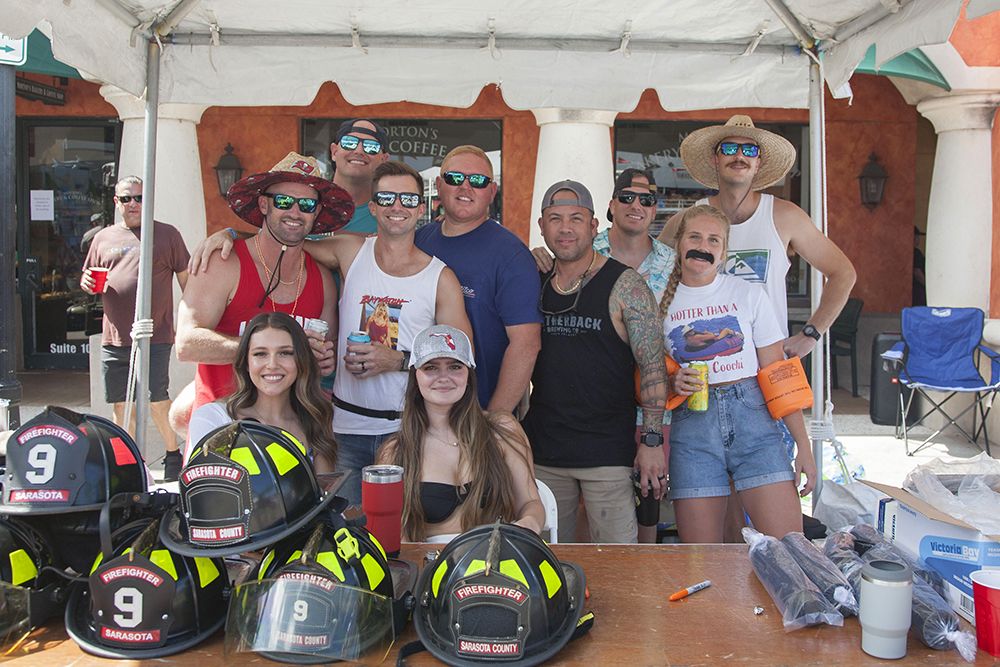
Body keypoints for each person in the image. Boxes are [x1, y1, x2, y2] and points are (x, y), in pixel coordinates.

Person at [188, 160, 473, 506]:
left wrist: (399, 360)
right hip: (344, 429)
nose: (397, 206)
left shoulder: (440, 277)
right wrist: (231, 234)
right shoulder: (350, 251)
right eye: (387, 198)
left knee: (399, 526)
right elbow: (286, 235)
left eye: (409, 199)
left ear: (421, 208)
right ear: (373, 207)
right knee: (340, 523)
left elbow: (463, 355)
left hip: (408, 429)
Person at [660, 115, 858, 507]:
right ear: (715, 159)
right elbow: (650, 278)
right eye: (729, 148)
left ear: (759, 162)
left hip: (765, 384)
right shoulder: (690, 220)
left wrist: (811, 334)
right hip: (702, 388)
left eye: (749, 149)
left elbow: (843, 273)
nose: (739, 156)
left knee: (766, 511)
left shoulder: (784, 215)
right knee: (720, 515)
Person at [531, 168, 676, 543]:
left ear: (594, 225)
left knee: (618, 562)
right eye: (555, 219)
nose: (565, 228)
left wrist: (651, 442)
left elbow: (653, 368)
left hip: (607, 455)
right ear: (542, 227)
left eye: (576, 219)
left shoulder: (627, 284)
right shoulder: (532, 279)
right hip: (544, 453)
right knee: (548, 561)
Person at [661, 204, 803, 542]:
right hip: (692, 430)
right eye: (694, 237)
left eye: (714, 240)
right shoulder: (657, 300)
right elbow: (645, 378)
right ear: (679, 243)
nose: (703, 246)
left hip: (754, 422)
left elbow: (778, 374)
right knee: (702, 560)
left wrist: (804, 448)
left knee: (789, 548)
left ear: (724, 252)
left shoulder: (748, 294)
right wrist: (672, 382)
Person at [175, 152, 344, 423]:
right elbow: (187, 345)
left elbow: (323, 358)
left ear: (316, 212)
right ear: (264, 204)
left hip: (292, 430)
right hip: (223, 426)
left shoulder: (323, 280)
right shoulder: (223, 262)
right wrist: (281, 349)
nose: (295, 212)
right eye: (284, 201)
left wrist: (323, 359)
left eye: (307, 205)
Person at [376, 325, 543, 541]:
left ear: (469, 374)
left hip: (495, 555)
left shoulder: (502, 429)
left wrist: (528, 524)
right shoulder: (395, 451)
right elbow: (396, 536)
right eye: (431, 367)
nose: (444, 377)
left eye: (455, 367)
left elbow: (531, 503)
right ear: (416, 377)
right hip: (431, 559)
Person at [414, 145, 542, 412]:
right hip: (415, 409)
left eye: (478, 181)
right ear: (439, 185)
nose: (466, 187)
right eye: (455, 178)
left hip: (476, 410)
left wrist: (494, 418)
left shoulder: (511, 256)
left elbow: (526, 345)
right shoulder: (419, 240)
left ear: (492, 192)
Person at [81, 176, 189, 481]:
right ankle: (129, 462)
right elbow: (89, 278)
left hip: (155, 334)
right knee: (121, 404)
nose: (133, 204)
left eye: (139, 198)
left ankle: (172, 454)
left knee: (156, 398)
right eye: (127, 198)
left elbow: (188, 284)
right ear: (116, 202)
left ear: (148, 200)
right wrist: (86, 284)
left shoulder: (167, 235)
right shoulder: (103, 238)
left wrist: (189, 322)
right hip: (114, 336)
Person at [187, 312, 336, 473]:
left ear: (301, 360)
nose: (272, 364)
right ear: (246, 362)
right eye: (260, 354)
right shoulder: (215, 417)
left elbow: (324, 487)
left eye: (285, 353)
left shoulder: (315, 418)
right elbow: (206, 485)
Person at [328, 119, 391, 235]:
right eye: (349, 142)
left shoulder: (390, 216)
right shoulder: (307, 204)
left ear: (384, 160)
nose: (359, 151)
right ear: (334, 152)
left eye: (371, 146)